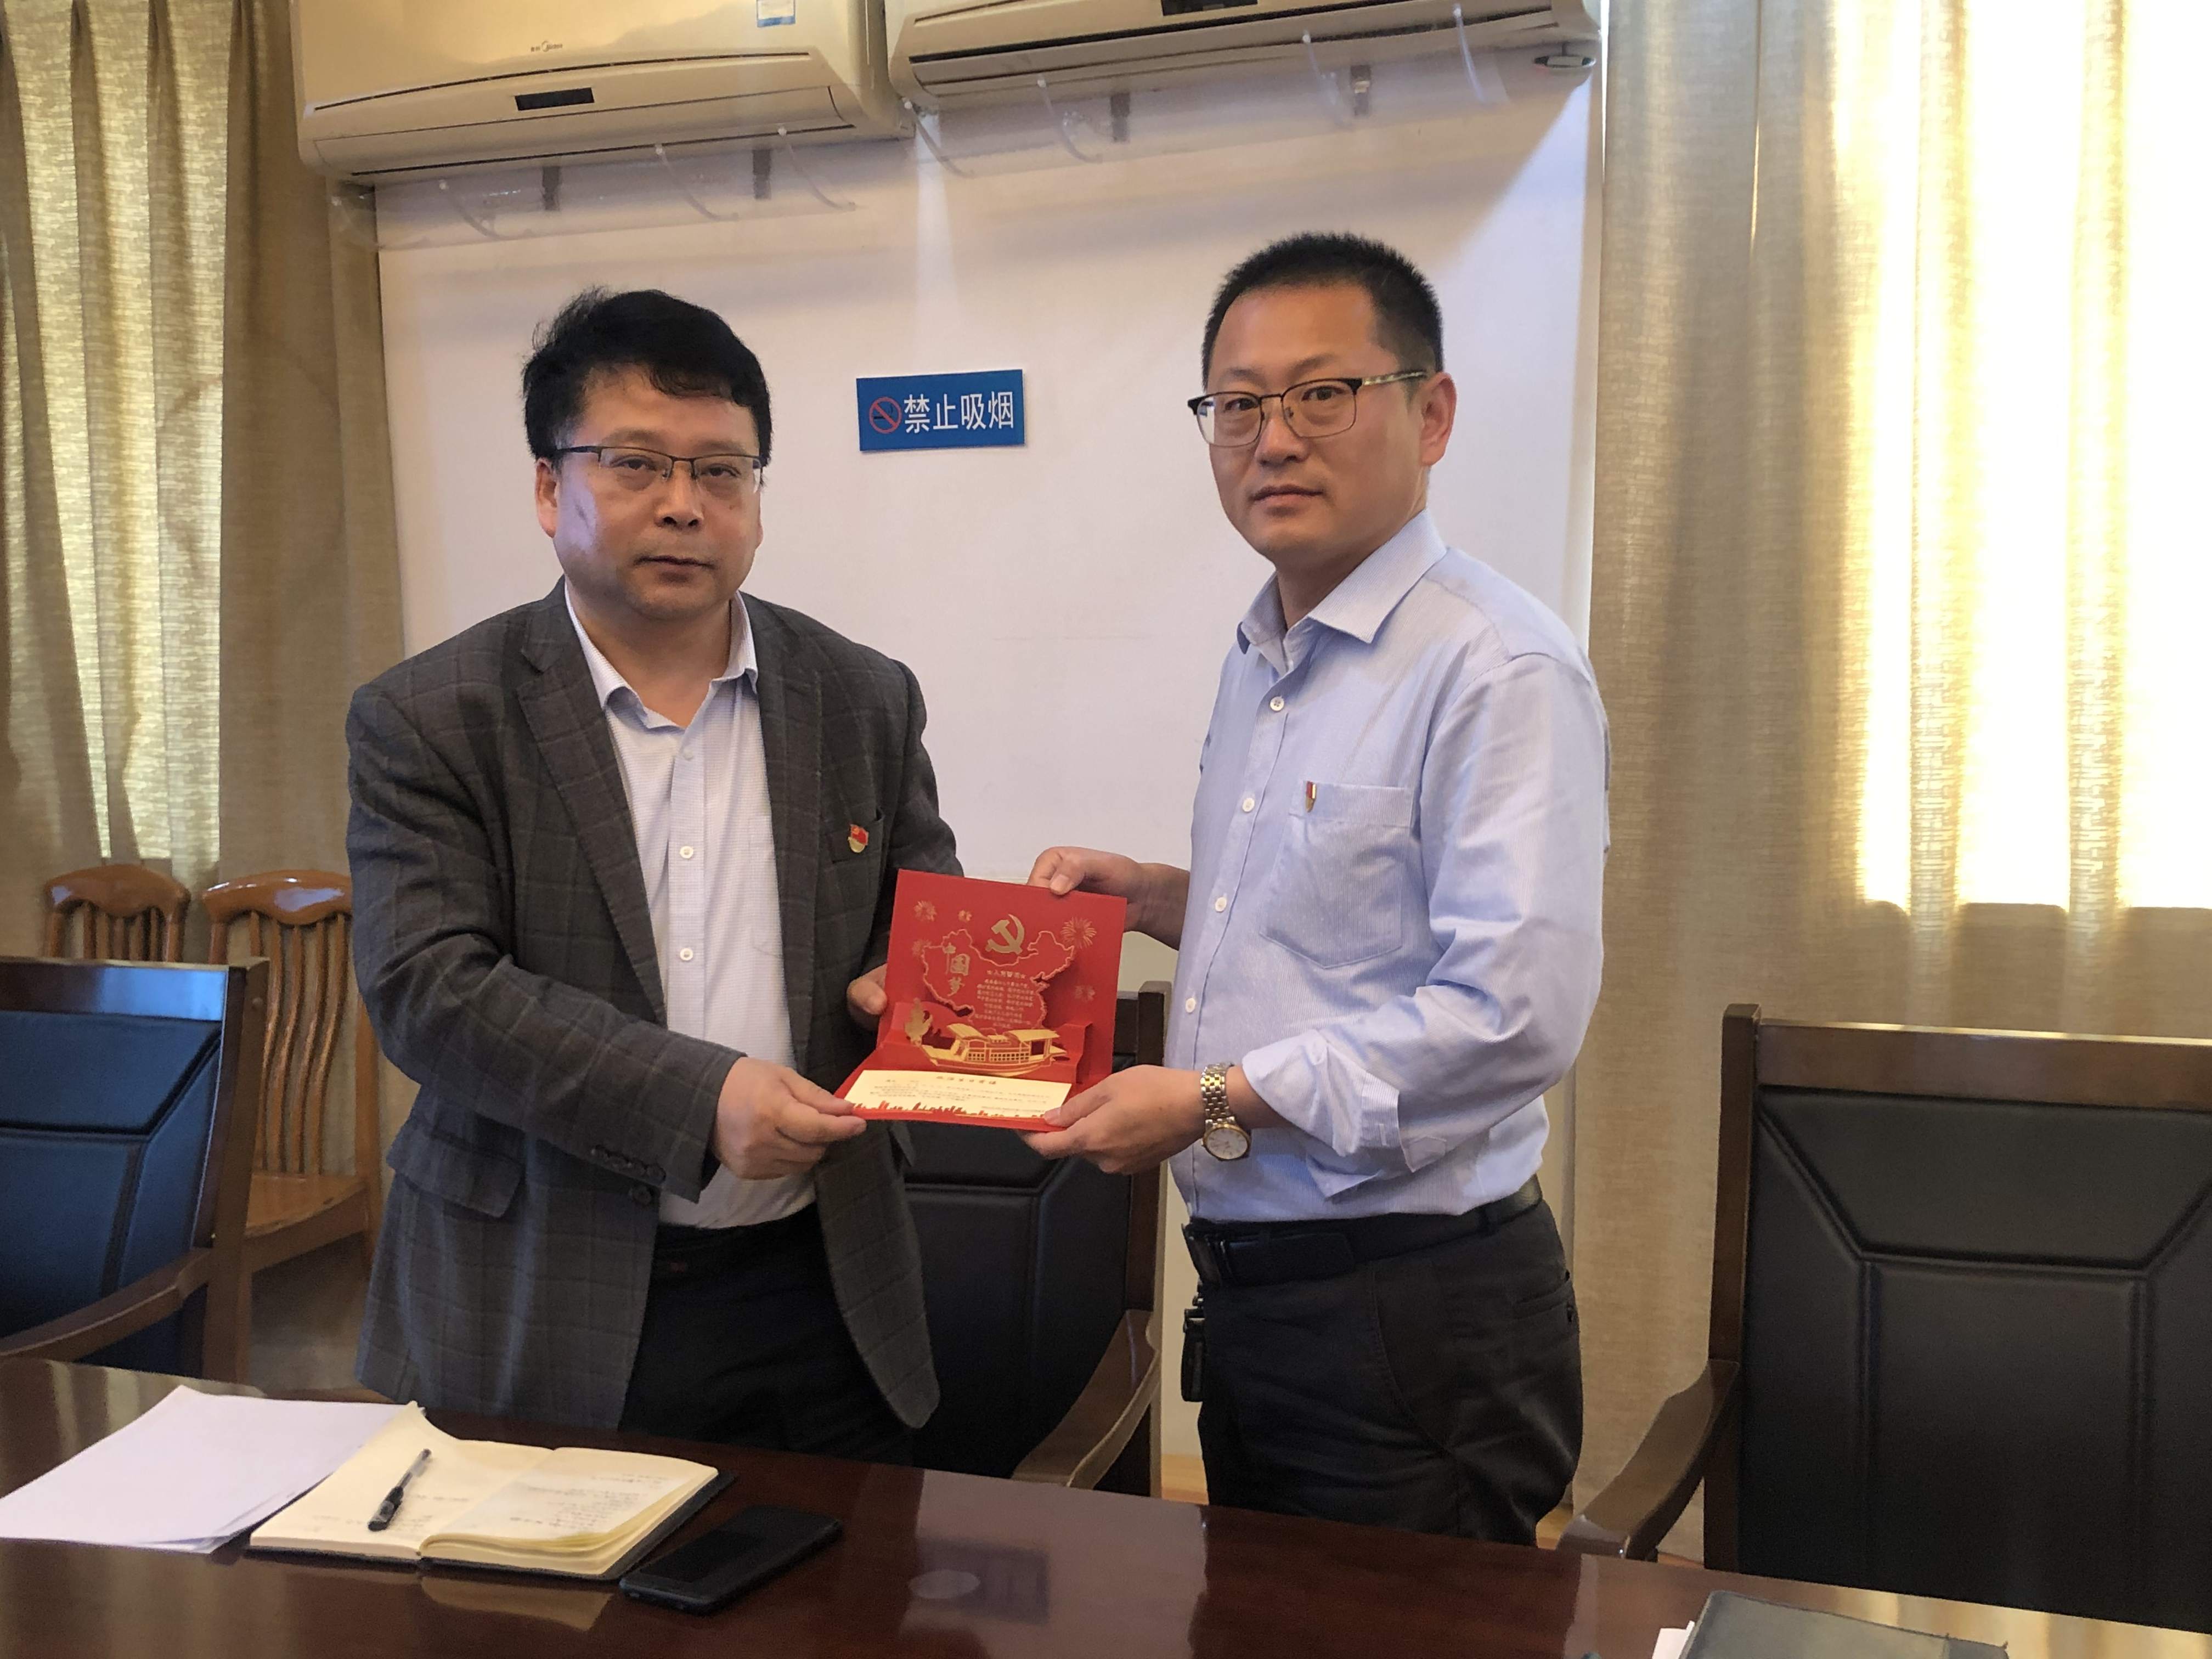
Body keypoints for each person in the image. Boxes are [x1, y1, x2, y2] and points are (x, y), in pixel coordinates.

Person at [1027, 233, 1608, 1539]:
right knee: (1257, 1623)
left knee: (1415, 1634)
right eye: (1238, 405)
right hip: (1259, 1299)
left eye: (1323, 394)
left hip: (1414, 1312)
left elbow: (1512, 1015)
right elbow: (1345, 921)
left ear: (1432, 414)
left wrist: (1208, 1099)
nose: (1274, 439)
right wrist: (1157, 896)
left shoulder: (1497, 667)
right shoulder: (1264, 649)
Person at [347, 287, 956, 1458]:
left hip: (820, 1284)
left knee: (845, 1573)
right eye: (636, 464)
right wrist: (702, 1100)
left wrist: (908, 982)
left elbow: (915, 909)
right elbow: (431, 992)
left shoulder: (863, 696)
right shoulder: (432, 715)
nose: (684, 504)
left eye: (722, 472)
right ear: (550, 489)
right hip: (537, 1283)